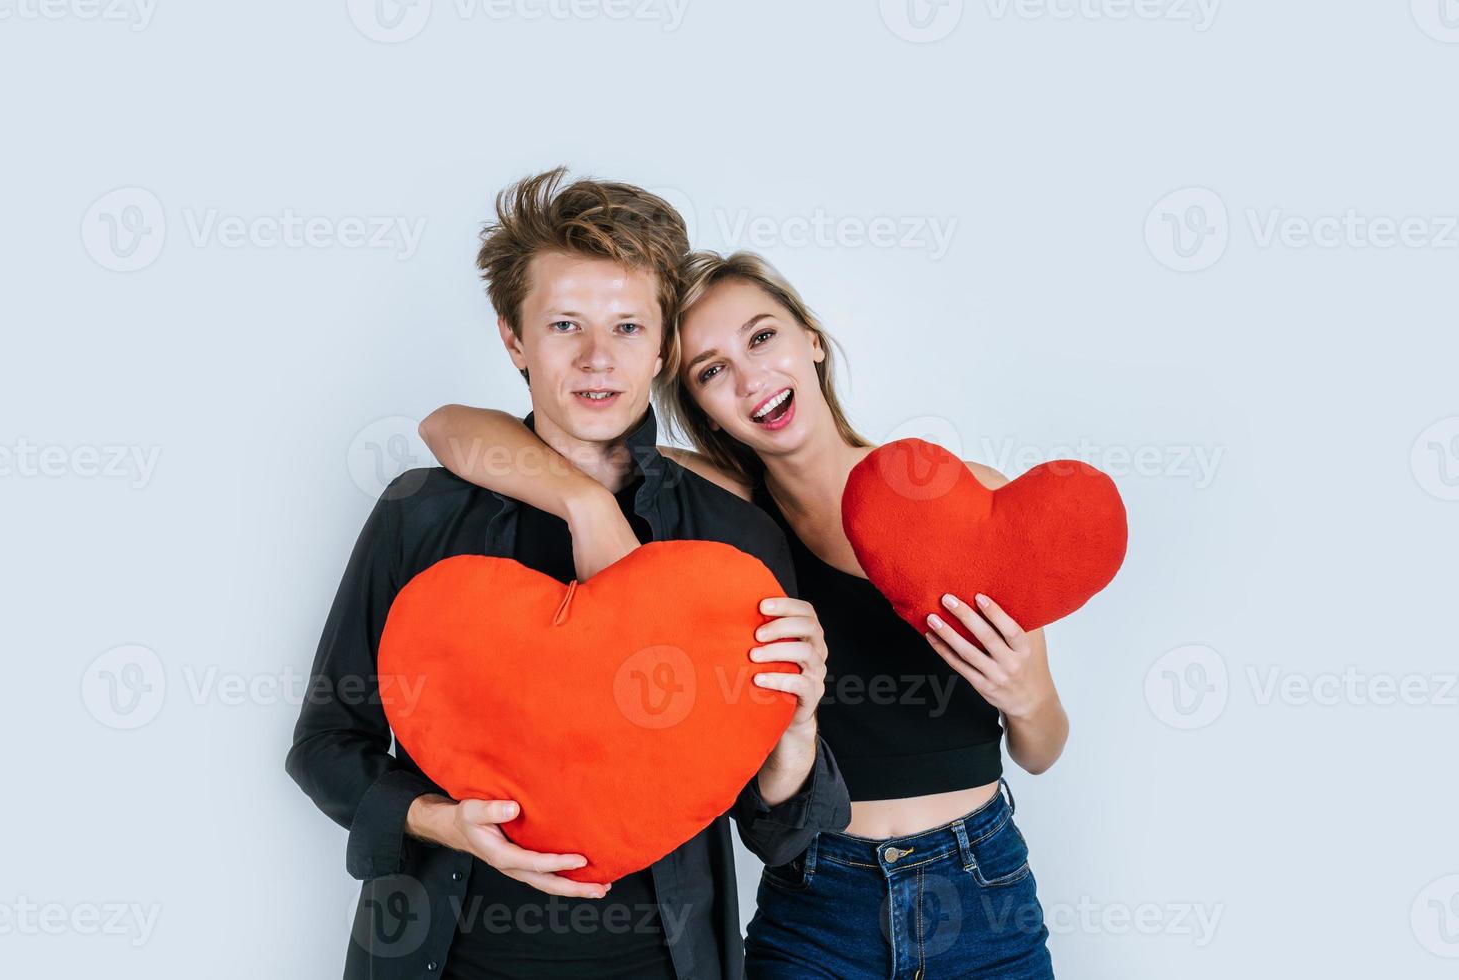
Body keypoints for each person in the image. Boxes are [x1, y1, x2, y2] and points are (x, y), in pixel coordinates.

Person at [419, 249, 1066, 977]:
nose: (751, 378)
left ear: (811, 339)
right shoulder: (723, 513)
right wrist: (589, 504)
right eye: (711, 370)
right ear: (699, 405)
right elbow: (448, 426)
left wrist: (1030, 696)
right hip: (814, 898)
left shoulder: (961, 499)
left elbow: (1042, 749)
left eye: (763, 337)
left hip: (979, 882)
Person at [286, 170, 850, 980]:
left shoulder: (729, 537)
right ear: (514, 339)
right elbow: (325, 744)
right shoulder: (418, 514)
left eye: (627, 326)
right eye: (563, 324)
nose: (597, 358)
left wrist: (796, 729)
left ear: (662, 349)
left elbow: (782, 834)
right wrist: (443, 822)